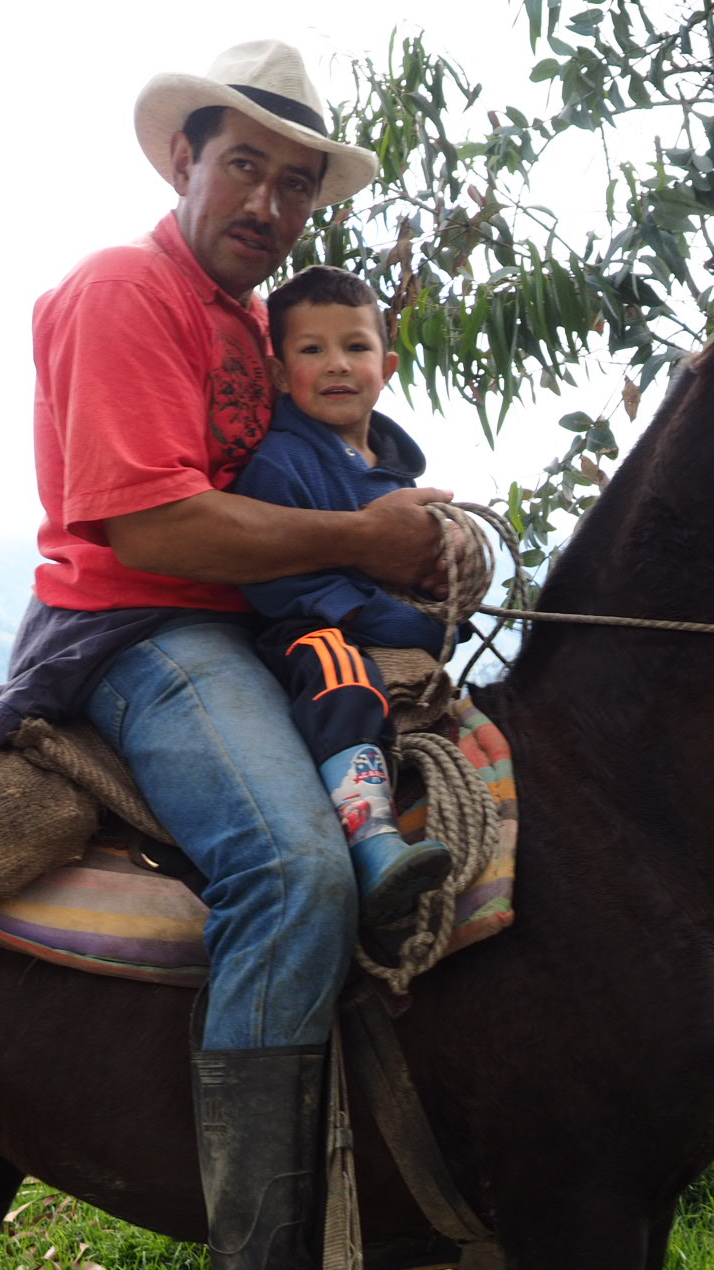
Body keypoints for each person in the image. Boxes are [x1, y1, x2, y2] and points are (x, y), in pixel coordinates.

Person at [0, 40, 461, 1270]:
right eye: (246, 168)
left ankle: (404, 1197)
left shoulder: (249, 322)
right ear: (186, 159)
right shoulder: (126, 292)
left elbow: (304, 473)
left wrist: (408, 543)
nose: (270, 204)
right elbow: (153, 525)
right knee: (292, 868)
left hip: (256, 624)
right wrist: (361, 541)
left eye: (296, 185)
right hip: (140, 632)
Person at [235, 264, 454, 928]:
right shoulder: (279, 464)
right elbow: (279, 578)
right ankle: (372, 837)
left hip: (377, 623)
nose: (336, 364)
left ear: (385, 367)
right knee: (340, 671)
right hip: (301, 630)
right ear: (279, 374)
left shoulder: (394, 471)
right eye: (312, 349)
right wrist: (386, 617)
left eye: (355, 346)